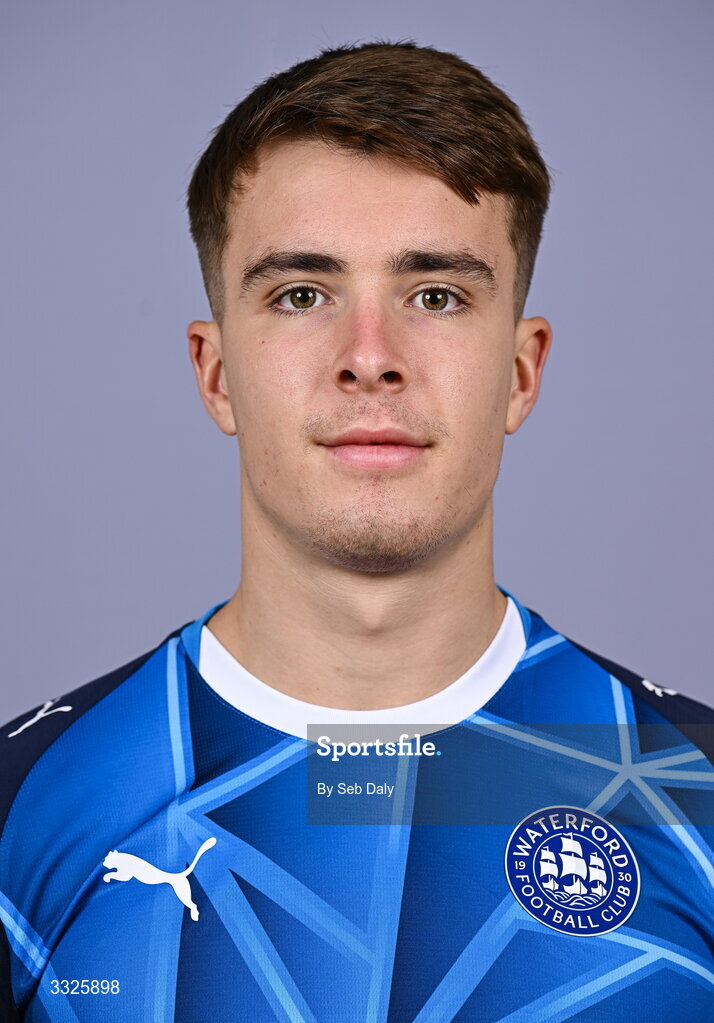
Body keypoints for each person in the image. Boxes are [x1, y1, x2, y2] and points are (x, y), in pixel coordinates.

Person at [1, 40, 711, 1022]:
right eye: (302, 294)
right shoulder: (25, 809)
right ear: (216, 374)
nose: (369, 359)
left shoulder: (695, 789)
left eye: (436, 295)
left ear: (520, 370)